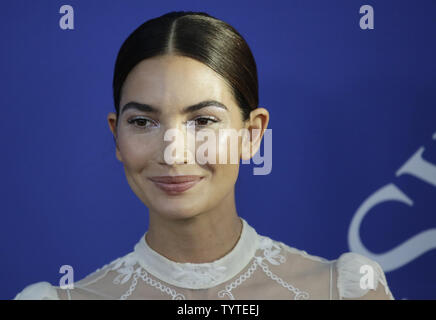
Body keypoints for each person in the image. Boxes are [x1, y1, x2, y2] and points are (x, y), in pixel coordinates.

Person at [14, 11, 395, 300]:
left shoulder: (345, 290)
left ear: (252, 133)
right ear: (116, 135)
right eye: (144, 122)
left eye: (202, 120)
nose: (173, 152)